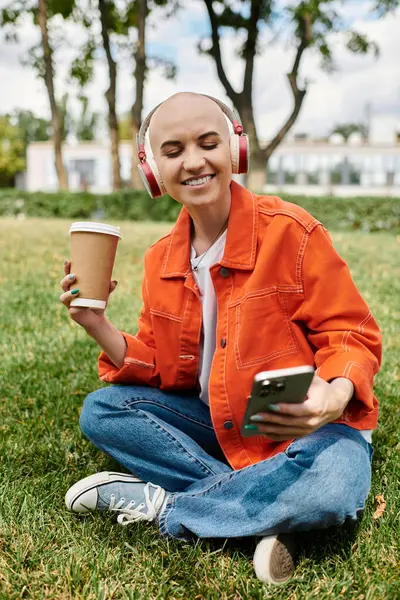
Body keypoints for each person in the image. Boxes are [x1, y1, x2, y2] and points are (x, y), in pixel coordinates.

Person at [60, 92, 382, 585]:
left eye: (208, 143)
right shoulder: (160, 258)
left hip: (304, 423)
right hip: (223, 415)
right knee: (103, 410)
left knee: (334, 483)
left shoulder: (292, 231)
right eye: (173, 151)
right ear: (153, 170)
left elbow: (351, 333)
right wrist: (96, 324)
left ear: (236, 148)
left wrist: (334, 395)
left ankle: (169, 509)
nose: (194, 162)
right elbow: (165, 370)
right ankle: (264, 510)